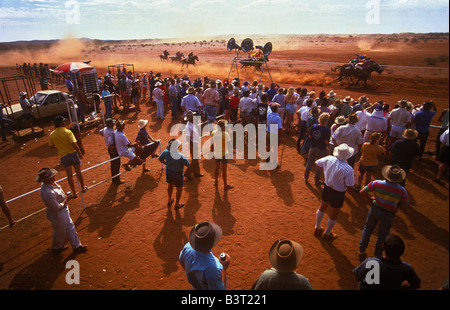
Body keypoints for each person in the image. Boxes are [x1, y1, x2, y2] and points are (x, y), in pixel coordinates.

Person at [357, 165, 409, 260]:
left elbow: (362, 192)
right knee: (383, 235)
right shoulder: (402, 191)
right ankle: (378, 255)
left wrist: (370, 199)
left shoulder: (376, 183)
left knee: (368, 229)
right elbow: (405, 206)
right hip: (389, 213)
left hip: (375, 209)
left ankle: (361, 250)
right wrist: (396, 204)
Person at [37, 167, 87, 254]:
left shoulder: (51, 184)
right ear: (47, 179)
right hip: (58, 214)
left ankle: (76, 246)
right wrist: (67, 199)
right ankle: (56, 248)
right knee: (60, 231)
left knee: (70, 227)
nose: (54, 177)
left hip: (63, 211)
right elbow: (56, 208)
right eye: (52, 176)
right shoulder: (48, 193)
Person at [314, 144, 355, 240]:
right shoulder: (348, 169)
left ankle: (317, 228)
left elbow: (317, 163)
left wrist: (325, 172)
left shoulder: (329, 158)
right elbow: (349, 186)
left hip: (327, 188)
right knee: (334, 213)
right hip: (338, 193)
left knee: (322, 207)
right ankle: (327, 234)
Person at [353, 234, 421, 290]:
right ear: (402, 251)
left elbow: (356, 278)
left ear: (383, 246)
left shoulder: (370, 263)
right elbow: (416, 285)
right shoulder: (406, 268)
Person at [179, 221, 230, 290]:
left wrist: (195, 275)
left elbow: (181, 260)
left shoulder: (188, 246)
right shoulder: (213, 267)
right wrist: (223, 267)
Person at [49, 115, 87, 197]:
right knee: (78, 172)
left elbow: (51, 146)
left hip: (63, 156)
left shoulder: (52, 134)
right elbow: (74, 144)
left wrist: (59, 147)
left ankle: (73, 192)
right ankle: (83, 187)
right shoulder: (68, 132)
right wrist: (79, 153)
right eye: (63, 121)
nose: (65, 122)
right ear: (60, 124)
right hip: (73, 154)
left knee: (69, 175)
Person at [159, 138, 190, 209]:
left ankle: (170, 199)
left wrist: (165, 163)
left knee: (170, 185)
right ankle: (177, 204)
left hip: (169, 172)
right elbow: (188, 164)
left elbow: (160, 159)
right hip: (178, 174)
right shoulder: (180, 155)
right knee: (179, 189)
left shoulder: (165, 152)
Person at [304, 113, 331, 185]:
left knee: (309, 163)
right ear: (326, 120)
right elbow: (326, 141)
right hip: (322, 149)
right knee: (319, 165)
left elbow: (309, 136)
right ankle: (316, 180)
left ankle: (306, 177)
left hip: (313, 147)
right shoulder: (327, 130)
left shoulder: (314, 126)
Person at [99, 118, 124, 185]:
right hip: (113, 149)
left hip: (110, 149)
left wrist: (105, 137)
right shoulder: (111, 132)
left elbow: (100, 132)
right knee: (116, 163)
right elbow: (110, 142)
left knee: (113, 163)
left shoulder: (105, 129)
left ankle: (114, 179)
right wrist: (113, 146)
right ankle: (117, 180)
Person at [211, 120, 233, 190]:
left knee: (216, 168)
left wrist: (212, 149)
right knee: (224, 170)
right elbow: (229, 145)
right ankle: (225, 184)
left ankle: (216, 181)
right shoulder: (225, 134)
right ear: (223, 127)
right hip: (224, 153)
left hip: (216, 153)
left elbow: (211, 143)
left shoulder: (213, 133)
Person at [183, 111, 203, 180]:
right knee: (194, 160)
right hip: (192, 144)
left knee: (196, 159)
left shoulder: (193, 124)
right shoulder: (188, 127)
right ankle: (187, 173)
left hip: (195, 143)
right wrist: (193, 145)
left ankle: (196, 173)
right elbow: (188, 138)